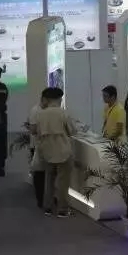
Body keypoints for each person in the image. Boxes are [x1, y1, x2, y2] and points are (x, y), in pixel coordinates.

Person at [31, 87, 77, 218]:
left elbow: (36, 132)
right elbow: (72, 131)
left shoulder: (40, 114)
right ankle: (62, 209)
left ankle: (48, 207)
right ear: (58, 99)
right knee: (63, 182)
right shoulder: (63, 113)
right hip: (63, 151)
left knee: (49, 180)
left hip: (47, 151)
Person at [28, 94, 47, 208]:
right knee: (39, 174)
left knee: (45, 174)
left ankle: (46, 197)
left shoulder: (47, 110)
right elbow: (33, 130)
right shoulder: (35, 111)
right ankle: (40, 198)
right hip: (36, 146)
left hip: (45, 146)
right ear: (43, 99)